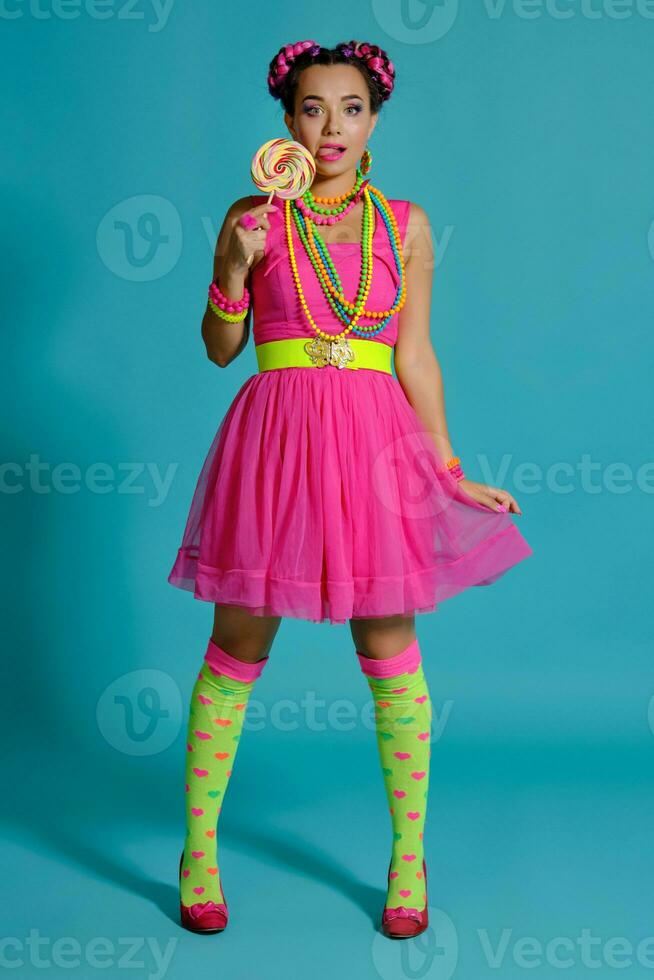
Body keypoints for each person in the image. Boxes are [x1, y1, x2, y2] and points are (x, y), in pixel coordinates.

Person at [168, 39, 533, 939]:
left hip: (376, 448)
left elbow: (414, 353)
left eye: (351, 107)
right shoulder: (251, 214)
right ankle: (199, 851)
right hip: (275, 442)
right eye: (311, 108)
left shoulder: (403, 224)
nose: (331, 126)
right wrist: (230, 271)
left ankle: (409, 859)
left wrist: (447, 469)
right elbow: (221, 350)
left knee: (392, 648)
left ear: (375, 117)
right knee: (236, 643)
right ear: (285, 119)